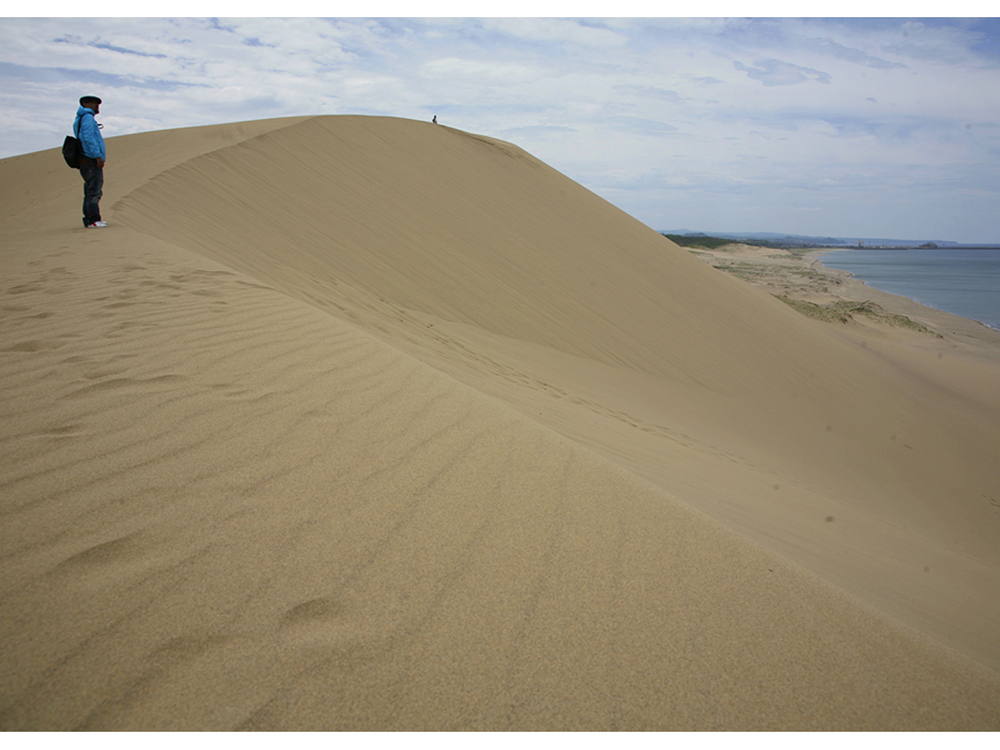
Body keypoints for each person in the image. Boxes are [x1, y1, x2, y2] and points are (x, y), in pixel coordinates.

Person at [74, 96, 107, 228]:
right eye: (95, 103)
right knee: (93, 189)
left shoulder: (83, 118)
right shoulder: (87, 118)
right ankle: (93, 220)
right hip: (90, 159)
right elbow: (87, 138)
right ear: (86, 104)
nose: (97, 106)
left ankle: (91, 219)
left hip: (87, 159)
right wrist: (97, 156)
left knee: (92, 189)